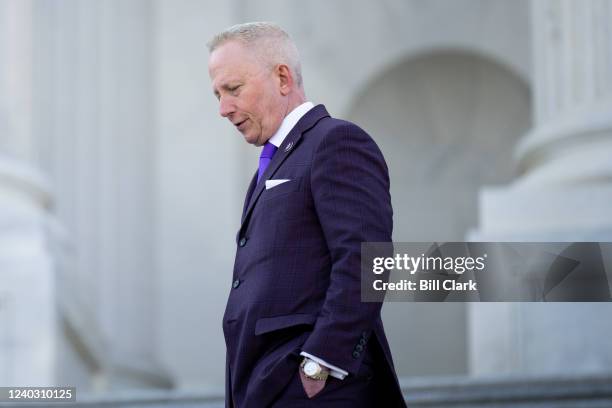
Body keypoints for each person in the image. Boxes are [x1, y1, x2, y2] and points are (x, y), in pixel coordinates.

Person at [208, 22, 406, 407]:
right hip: (263, 388)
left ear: (282, 77)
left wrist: (321, 363)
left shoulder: (335, 141)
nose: (223, 108)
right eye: (217, 94)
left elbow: (369, 259)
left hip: (317, 390)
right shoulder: (270, 166)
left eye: (233, 89)